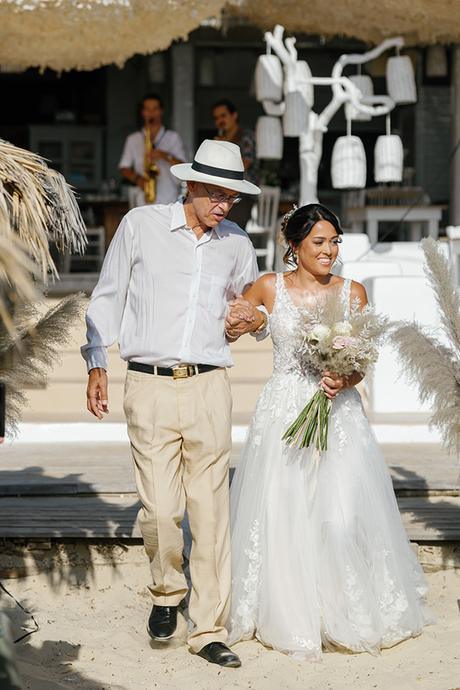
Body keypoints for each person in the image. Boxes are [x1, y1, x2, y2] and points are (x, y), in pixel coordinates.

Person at [81, 139, 267, 668]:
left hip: (210, 386)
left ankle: (208, 627)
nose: (225, 204)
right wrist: (97, 361)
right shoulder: (140, 225)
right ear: (190, 184)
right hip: (149, 384)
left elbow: (247, 309)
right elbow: (108, 295)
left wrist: (251, 321)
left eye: (232, 196)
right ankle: (167, 591)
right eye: (217, 193)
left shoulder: (236, 243)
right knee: (163, 510)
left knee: (210, 512)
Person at [227, 203, 432, 659]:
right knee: (284, 512)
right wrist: (241, 321)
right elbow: (234, 326)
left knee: (340, 517)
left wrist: (344, 378)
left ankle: (346, 611)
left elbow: (361, 365)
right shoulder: (267, 286)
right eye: (319, 242)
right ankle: (293, 615)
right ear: (295, 247)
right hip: (283, 412)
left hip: (339, 414)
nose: (329, 251)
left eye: (335, 242)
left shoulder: (353, 292)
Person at [119, 93, 186, 208]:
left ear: (161, 111)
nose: (151, 113)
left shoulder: (172, 137)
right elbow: (124, 168)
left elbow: (183, 167)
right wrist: (138, 179)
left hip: (168, 199)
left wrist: (164, 155)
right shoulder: (133, 139)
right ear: (142, 112)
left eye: (155, 109)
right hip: (142, 200)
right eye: (147, 109)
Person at [212, 99, 258, 229]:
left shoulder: (246, 136)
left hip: (242, 194)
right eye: (216, 118)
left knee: (232, 230)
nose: (220, 121)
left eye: (223, 116)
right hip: (221, 192)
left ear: (234, 115)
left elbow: (245, 164)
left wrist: (225, 146)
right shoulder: (220, 139)